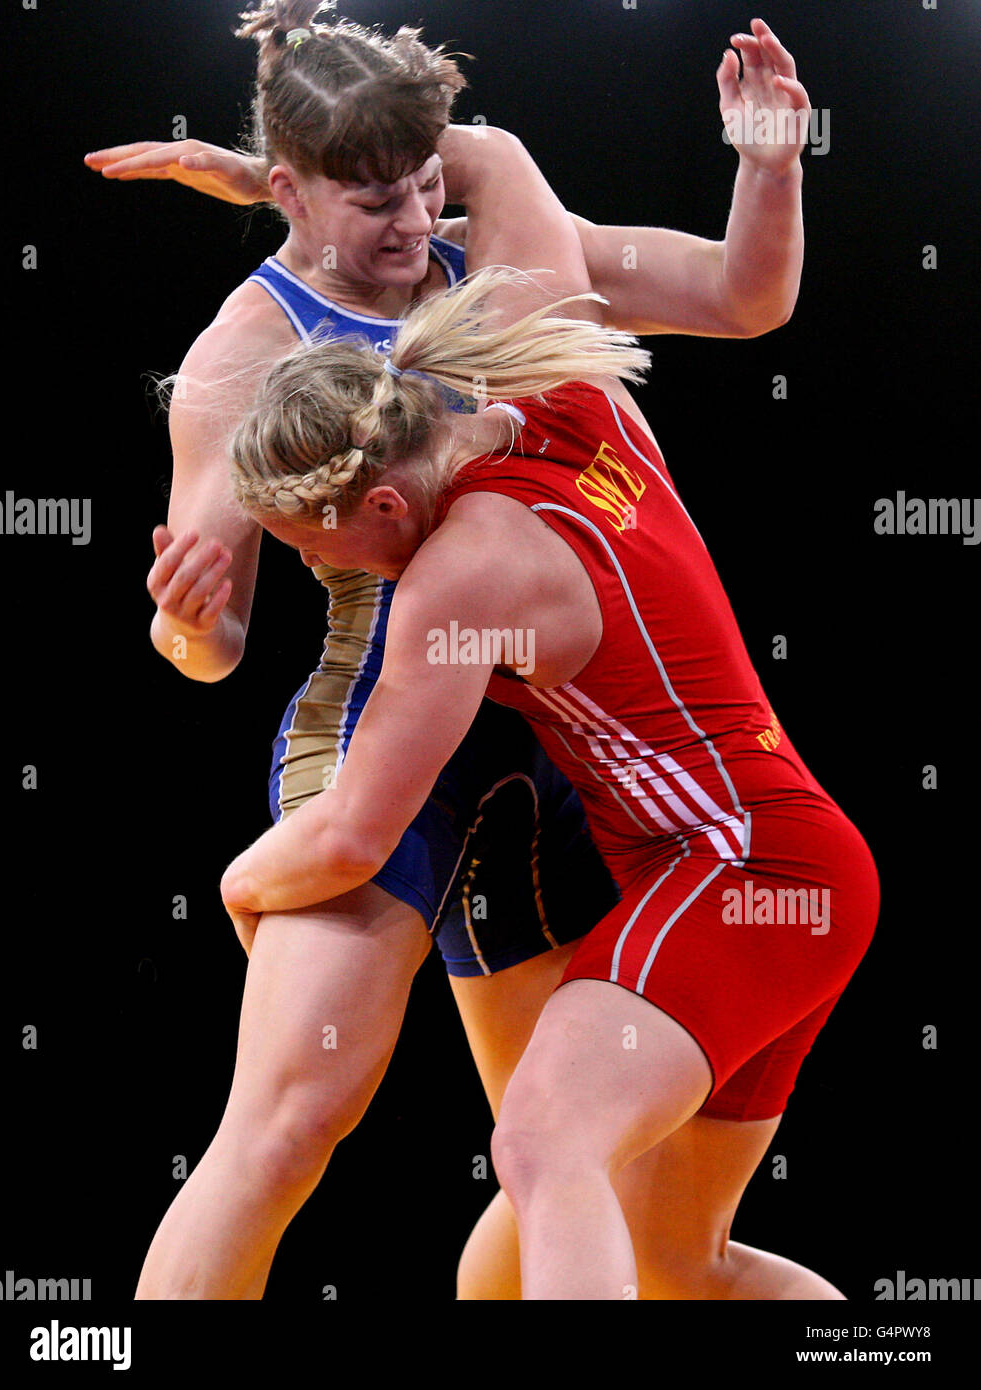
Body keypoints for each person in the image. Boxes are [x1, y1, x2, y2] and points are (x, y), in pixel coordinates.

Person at [89, 3, 817, 1298]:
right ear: (291, 191)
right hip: (378, 747)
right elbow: (209, 647)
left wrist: (768, 161)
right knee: (284, 1128)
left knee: (552, 1172)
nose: (415, 225)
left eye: (428, 182)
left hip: (545, 761)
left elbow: (742, 297)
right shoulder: (241, 356)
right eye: (373, 201)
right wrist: (186, 623)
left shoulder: (499, 258)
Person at [220, 132, 878, 1300]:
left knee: (538, 1148)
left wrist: (237, 884)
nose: (341, 583)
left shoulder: (454, 581)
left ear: (379, 500)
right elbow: (493, 155)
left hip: (727, 870)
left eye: (320, 554)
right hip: (794, 869)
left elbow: (352, 836)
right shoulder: (557, 382)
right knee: (665, 1260)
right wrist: (270, 167)